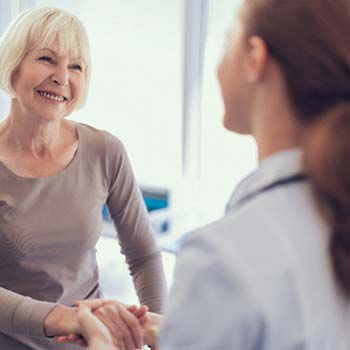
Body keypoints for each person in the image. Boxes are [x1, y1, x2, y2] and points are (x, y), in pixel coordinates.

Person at [67, 0, 350, 349]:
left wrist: (103, 344)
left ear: (255, 58)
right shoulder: (329, 221)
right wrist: (175, 331)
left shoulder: (225, 258)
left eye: (227, 39)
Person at [0, 6, 167, 350]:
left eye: (75, 66)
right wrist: (65, 318)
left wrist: (162, 335)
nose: (62, 76)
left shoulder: (105, 151)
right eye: (46, 59)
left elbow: (144, 255)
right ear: (13, 65)